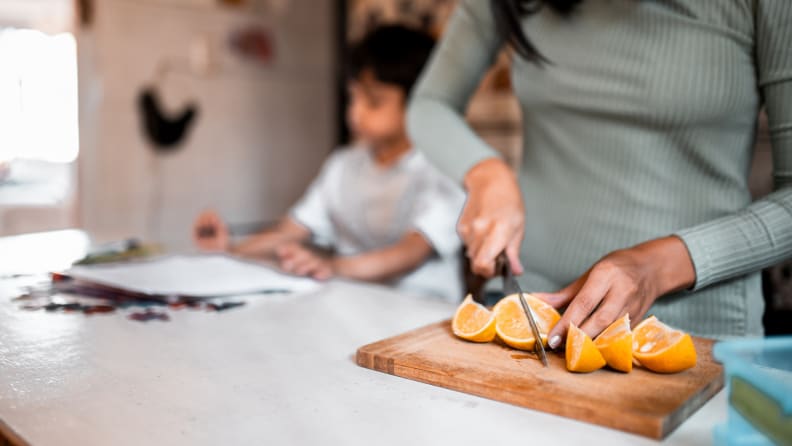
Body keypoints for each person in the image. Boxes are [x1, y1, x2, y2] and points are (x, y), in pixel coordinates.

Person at [407, 0, 792, 342]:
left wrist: (658, 266)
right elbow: (429, 103)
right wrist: (488, 174)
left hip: (694, 334)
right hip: (528, 309)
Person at [194, 25, 465, 302]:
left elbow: (410, 253)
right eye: (353, 96)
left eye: (373, 101)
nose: (355, 112)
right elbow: (290, 232)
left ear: (421, 103)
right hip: (353, 306)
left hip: (423, 315)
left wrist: (333, 267)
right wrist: (230, 248)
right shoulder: (343, 165)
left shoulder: (443, 168)